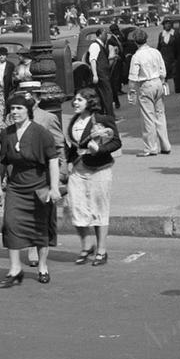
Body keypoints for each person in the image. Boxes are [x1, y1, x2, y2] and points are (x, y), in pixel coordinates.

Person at [0, 91, 61, 286]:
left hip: (38, 187)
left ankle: (42, 266)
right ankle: (15, 269)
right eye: (12, 109)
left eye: (19, 108)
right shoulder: (6, 134)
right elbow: (3, 161)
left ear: (28, 111)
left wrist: (54, 187)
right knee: (10, 225)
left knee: (39, 229)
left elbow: (53, 160)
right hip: (16, 187)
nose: (14, 112)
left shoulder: (41, 133)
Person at [64, 88, 122, 266]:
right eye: (75, 99)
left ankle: (102, 250)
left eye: (79, 100)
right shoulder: (74, 120)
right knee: (75, 207)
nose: (75, 103)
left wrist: (100, 149)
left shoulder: (102, 119)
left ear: (90, 102)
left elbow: (116, 141)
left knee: (99, 209)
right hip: (78, 169)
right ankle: (87, 244)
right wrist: (69, 160)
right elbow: (73, 145)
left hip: (99, 168)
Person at [126, 28, 172, 156]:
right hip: (158, 82)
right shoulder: (155, 52)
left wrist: (132, 93)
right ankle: (165, 145)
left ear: (135, 42)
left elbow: (133, 78)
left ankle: (151, 147)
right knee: (160, 115)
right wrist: (162, 82)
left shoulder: (137, 56)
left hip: (145, 84)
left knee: (148, 117)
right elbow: (163, 71)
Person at [84, 29, 115, 118]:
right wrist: (95, 75)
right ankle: (110, 115)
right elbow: (93, 60)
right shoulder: (95, 45)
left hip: (103, 73)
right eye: (105, 34)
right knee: (107, 93)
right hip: (100, 73)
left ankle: (101, 114)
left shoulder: (101, 45)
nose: (106, 36)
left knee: (101, 94)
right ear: (100, 35)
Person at [105, 24, 125, 110]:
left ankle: (118, 91)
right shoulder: (110, 40)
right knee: (114, 80)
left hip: (119, 60)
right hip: (113, 62)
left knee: (118, 77)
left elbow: (122, 43)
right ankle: (115, 96)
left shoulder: (117, 37)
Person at [0, 47, 15, 119]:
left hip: (8, 91)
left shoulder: (10, 65)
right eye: (0, 55)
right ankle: (2, 127)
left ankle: (9, 125)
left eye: (3, 55)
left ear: (6, 56)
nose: (1, 56)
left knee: (8, 109)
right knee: (0, 111)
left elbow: (13, 78)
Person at [157, 18, 177, 88]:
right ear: (164, 25)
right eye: (166, 24)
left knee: (175, 73)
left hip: (173, 56)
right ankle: (164, 88)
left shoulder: (175, 33)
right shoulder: (161, 34)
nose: (168, 25)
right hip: (164, 57)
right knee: (164, 73)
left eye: (169, 23)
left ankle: (177, 88)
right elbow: (159, 46)